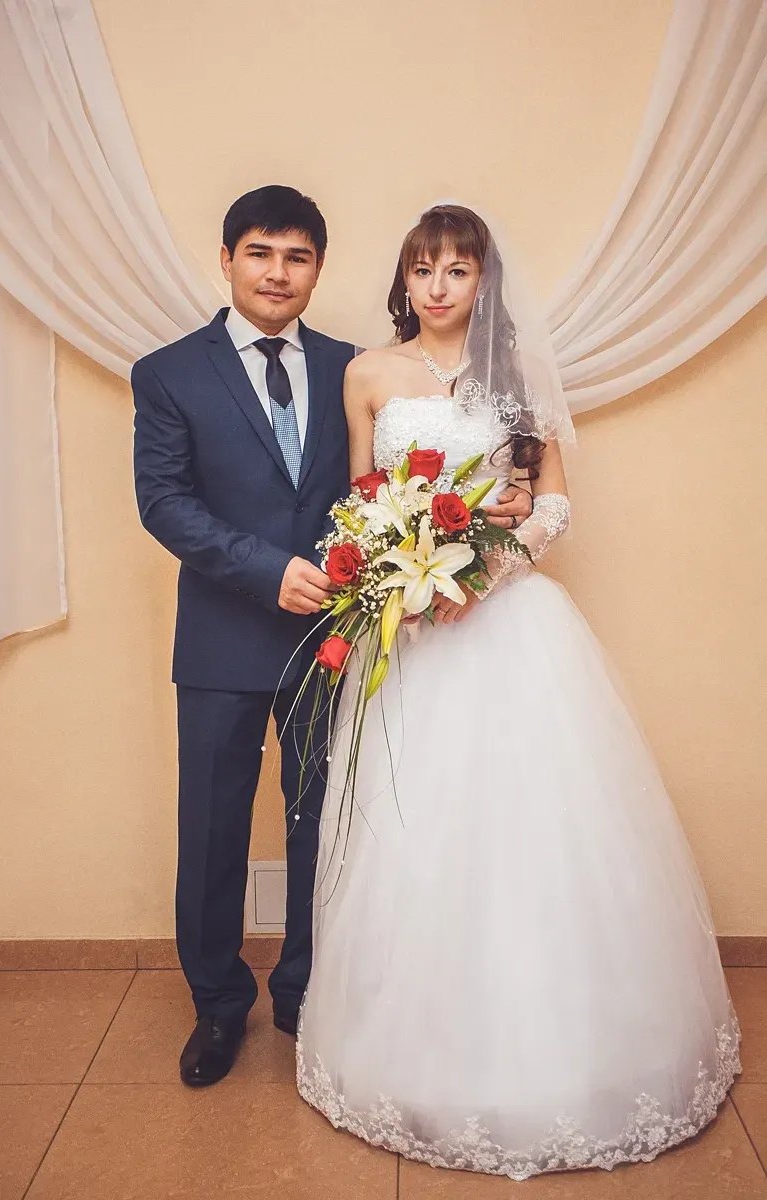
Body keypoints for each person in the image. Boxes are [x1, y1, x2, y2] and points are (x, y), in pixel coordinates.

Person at [296, 204, 740, 1179]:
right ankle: (403, 1051)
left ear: (483, 281)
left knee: (531, 829)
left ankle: (565, 1049)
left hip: (507, 623)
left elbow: (553, 504)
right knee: (411, 830)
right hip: (411, 634)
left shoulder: (520, 376)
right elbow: (361, 500)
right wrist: (403, 567)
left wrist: (482, 571)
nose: (438, 286)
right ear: (403, 279)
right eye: (423, 268)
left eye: (457, 269)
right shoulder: (367, 373)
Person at [132, 186, 534, 1088]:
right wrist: (264, 569)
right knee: (213, 828)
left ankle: (306, 988)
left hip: (337, 636)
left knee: (328, 820)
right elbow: (163, 502)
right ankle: (217, 1004)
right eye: (260, 253)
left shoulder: (354, 366)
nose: (278, 273)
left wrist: (473, 530)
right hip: (221, 639)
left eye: (298, 257)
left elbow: (373, 493)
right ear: (227, 259)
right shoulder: (168, 373)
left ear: (319, 268)